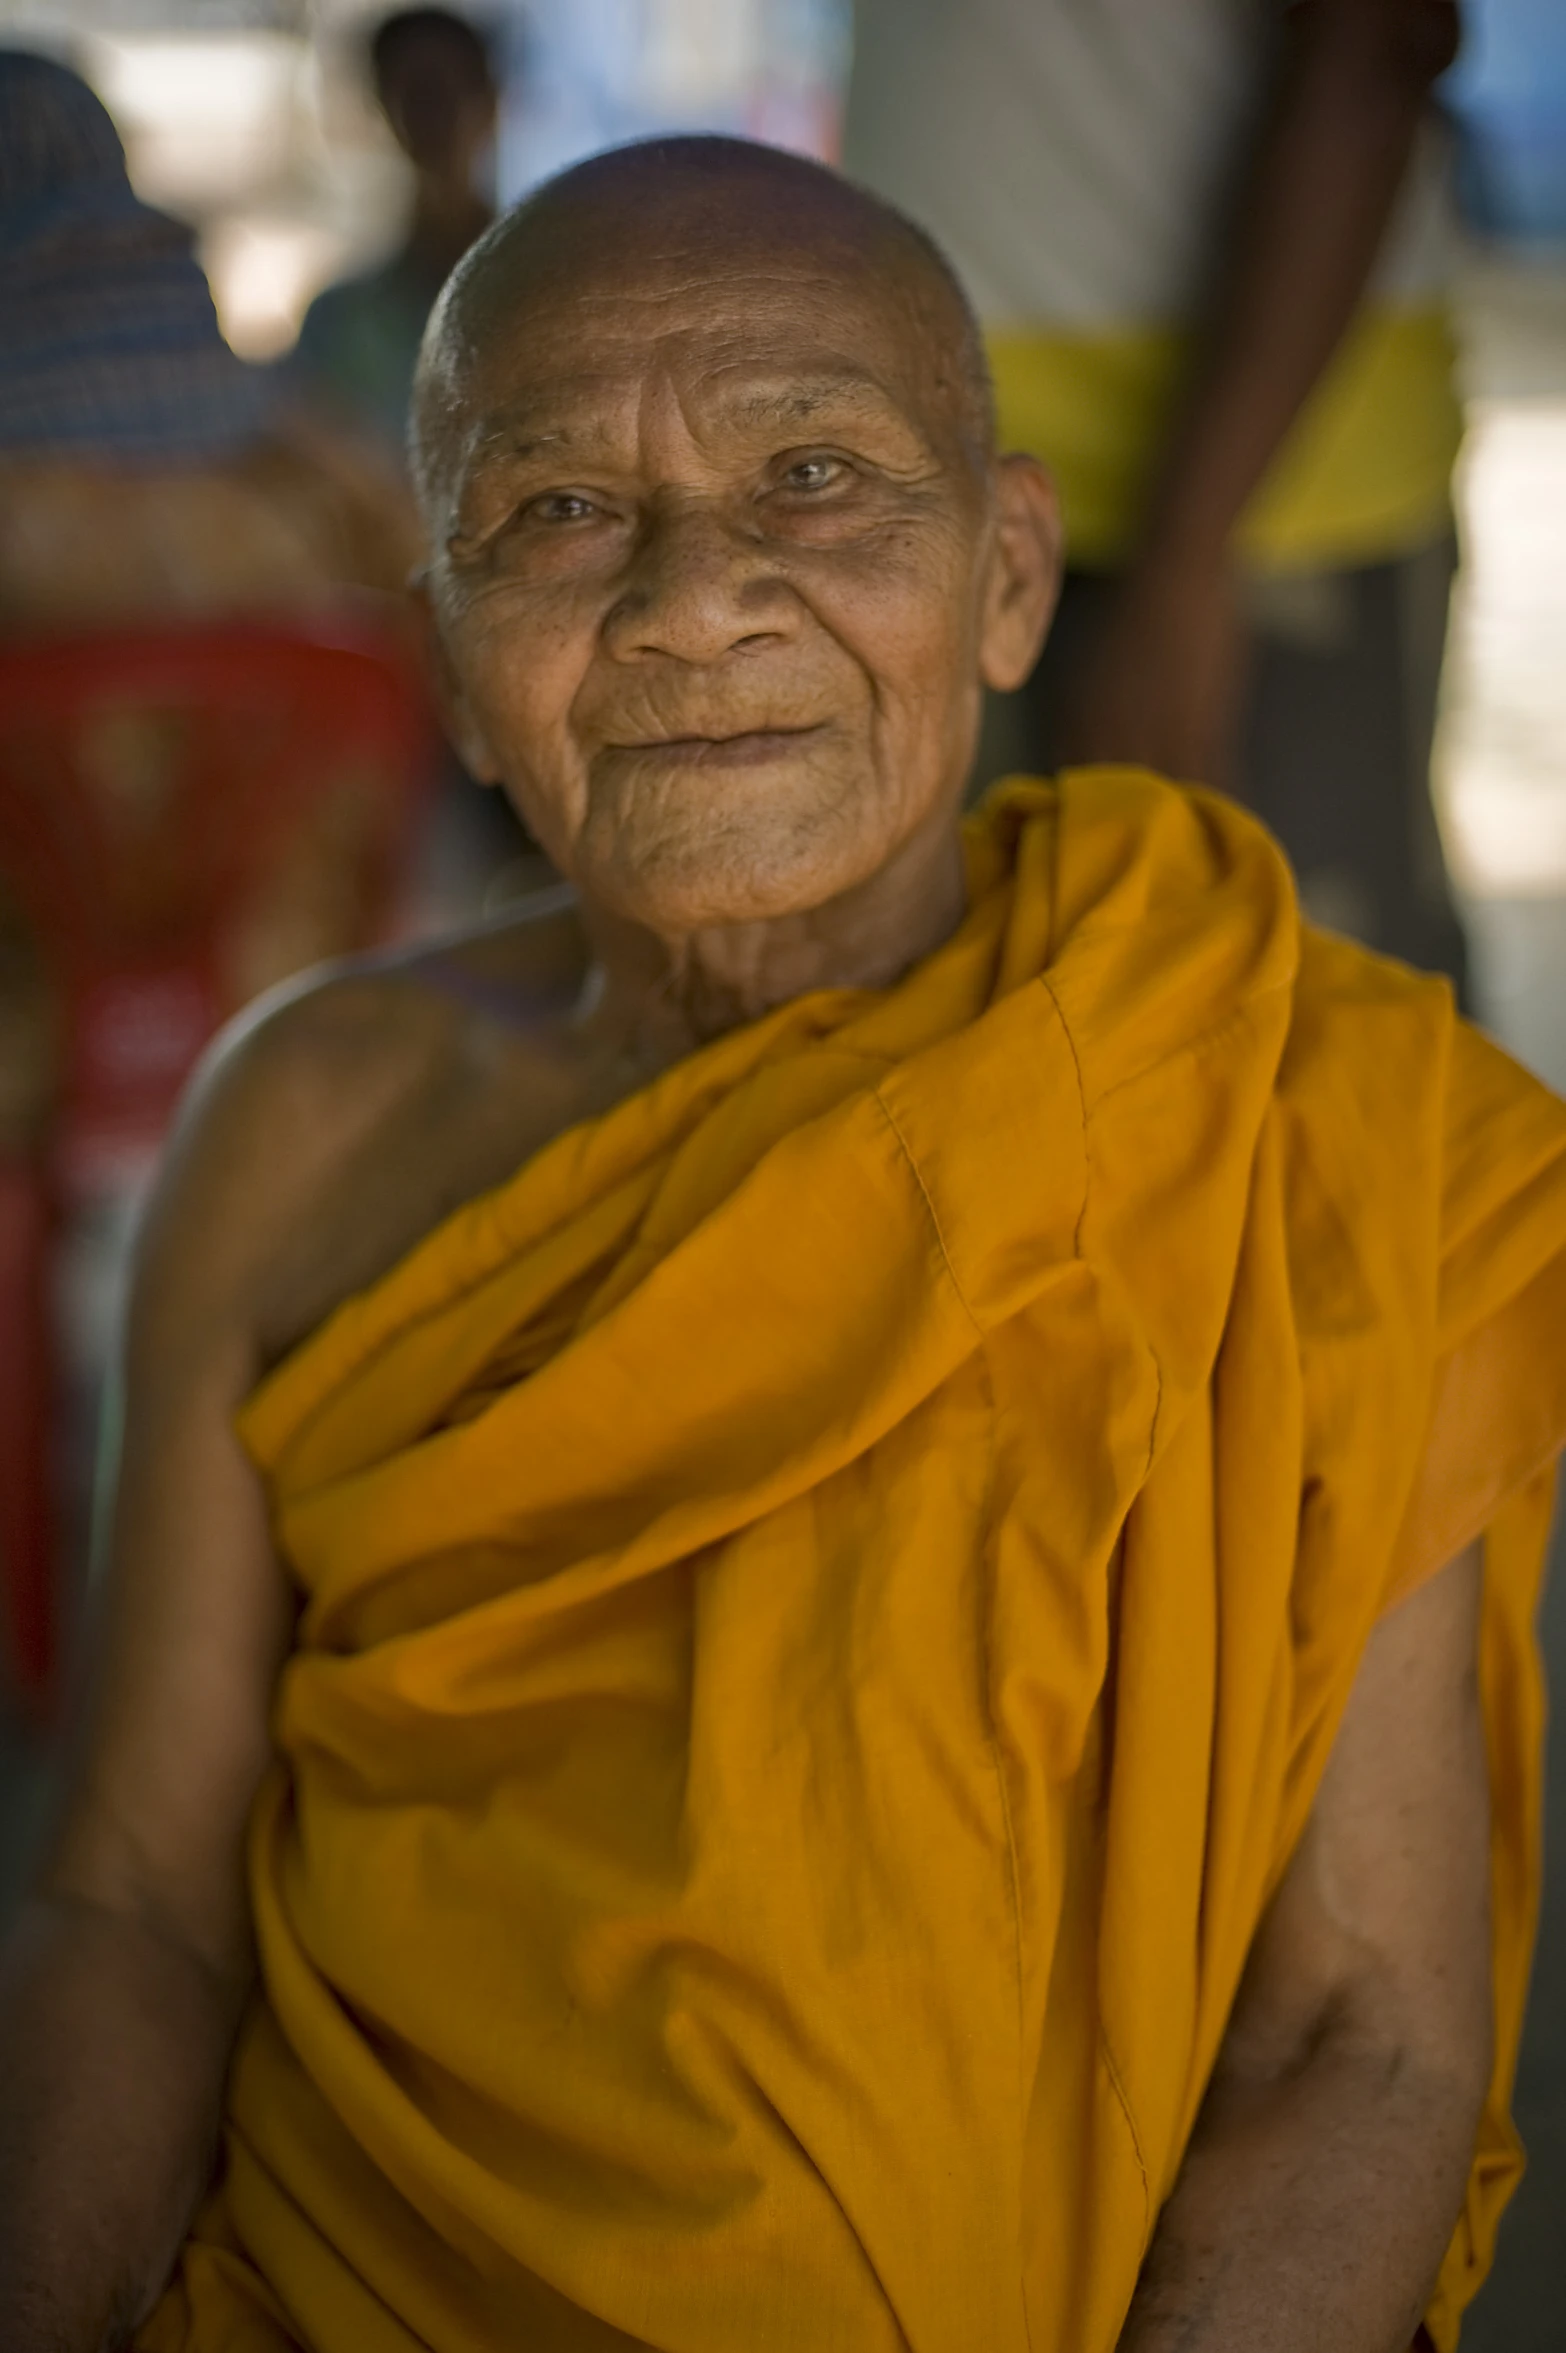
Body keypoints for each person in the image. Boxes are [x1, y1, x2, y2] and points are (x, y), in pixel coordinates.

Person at [1, 137, 1564, 2353]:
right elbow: (133, 1897)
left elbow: (1366, 2042)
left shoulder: (1292, 1113)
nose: (691, 598)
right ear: (446, 659)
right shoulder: (313, 1121)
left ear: (1010, 578)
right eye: (555, 513)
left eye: (817, 473)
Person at [845, 0, 1472, 991]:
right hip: (953, 461)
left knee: (1297, 1033)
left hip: (1268, 496)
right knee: (987, 1012)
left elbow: (1376, 45)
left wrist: (1188, 561)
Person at [291, 7, 498, 464]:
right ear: (382, 110)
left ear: (492, 101)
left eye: (450, 91)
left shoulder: (552, 289)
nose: (435, 117)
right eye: (416, 95)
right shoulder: (339, 322)